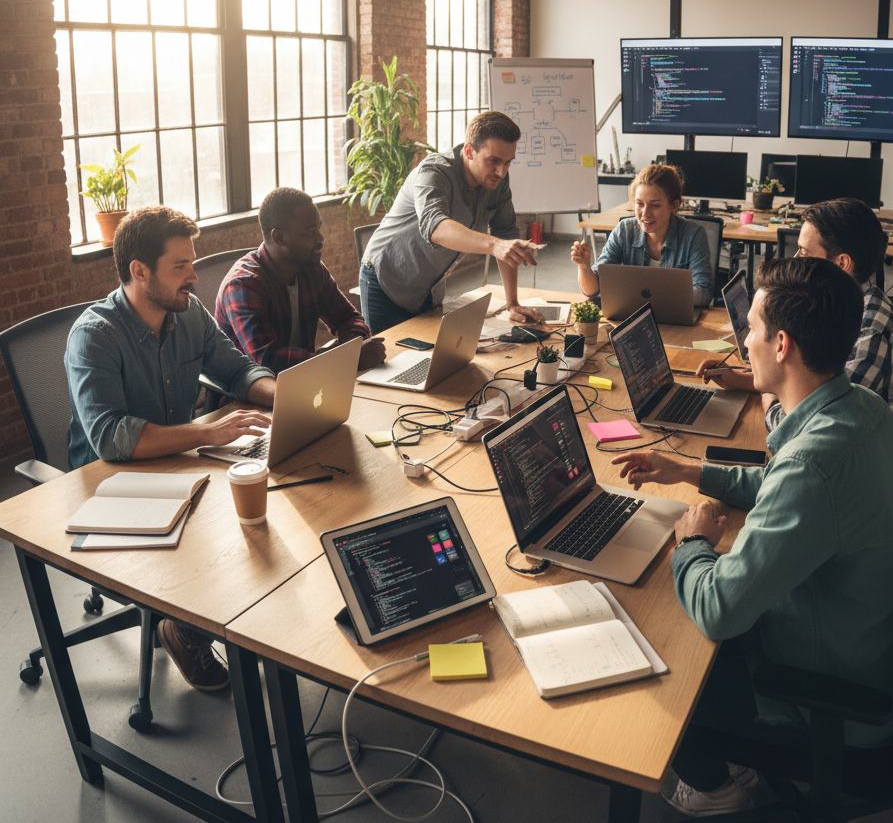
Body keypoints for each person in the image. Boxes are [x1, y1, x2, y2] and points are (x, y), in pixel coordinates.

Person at [612, 257, 893, 817]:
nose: (744, 341)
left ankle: (717, 787)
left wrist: (691, 543)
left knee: (663, 649)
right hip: (875, 657)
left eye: (751, 330)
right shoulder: (862, 411)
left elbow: (720, 609)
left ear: (781, 344)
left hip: (836, 702)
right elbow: (786, 482)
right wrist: (690, 472)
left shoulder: (813, 463)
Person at [65, 206, 277, 692]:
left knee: (267, 503)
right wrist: (208, 433)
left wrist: (281, 394)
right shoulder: (94, 336)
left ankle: (213, 619)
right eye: (180, 267)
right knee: (233, 533)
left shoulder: (188, 314)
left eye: (192, 264)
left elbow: (237, 369)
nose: (194, 278)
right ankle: (182, 627)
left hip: (178, 466)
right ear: (139, 271)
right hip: (111, 485)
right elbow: (112, 437)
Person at [699, 197, 893, 498]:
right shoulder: (848, 308)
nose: (795, 258)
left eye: (804, 252)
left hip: (881, 490)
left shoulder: (869, 329)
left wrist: (768, 384)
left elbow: (806, 425)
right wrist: (750, 380)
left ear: (841, 263)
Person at [358, 111, 545, 334]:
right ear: (469, 151)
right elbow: (435, 226)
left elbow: (505, 233)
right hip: (386, 278)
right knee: (385, 363)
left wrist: (512, 303)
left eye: (508, 163)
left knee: (427, 357)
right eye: (493, 161)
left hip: (428, 286)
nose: (501, 172)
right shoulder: (434, 171)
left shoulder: (497, 180)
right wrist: (495, 245)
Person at [215, 188, 386, 373]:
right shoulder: (244, 285)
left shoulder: (311, 269)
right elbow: (267, 359)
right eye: (310, 233)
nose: (321, 238)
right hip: (250, 395)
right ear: (279, 237)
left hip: (308, 381)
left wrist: (347, 351)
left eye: (318, 228)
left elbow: (349, 319)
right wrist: (344, 358)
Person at [570, 163, 713, 308]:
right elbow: (592, 291)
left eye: (655, 205)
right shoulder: (625, 230)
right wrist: (584, 267)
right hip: (634, 318)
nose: (645, 214)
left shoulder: (693, 234)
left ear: (674, 206)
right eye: (639, 204)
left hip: (675, 320)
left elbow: (703, 293)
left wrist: (648, 296)